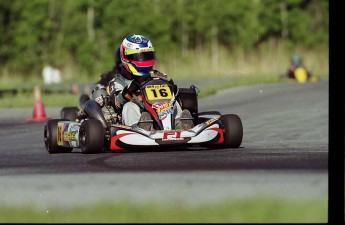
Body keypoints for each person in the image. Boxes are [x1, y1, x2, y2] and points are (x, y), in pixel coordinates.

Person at [78, 34, 194, 130]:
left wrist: (173, 88)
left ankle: (181, 123)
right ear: (126, 58)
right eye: (138, 56)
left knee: (174, 103)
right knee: (130, 106)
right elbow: (117, 103)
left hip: (158, 111)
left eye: (146, 55)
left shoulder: (159, 75)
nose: (143, 60)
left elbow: (172, 92)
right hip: (133, 118)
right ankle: (141, 127)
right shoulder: (118, 81)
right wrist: (129, 90)